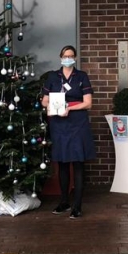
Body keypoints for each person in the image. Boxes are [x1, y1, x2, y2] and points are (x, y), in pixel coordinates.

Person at [41, 45, 96, 219]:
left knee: (78, 164)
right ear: (60, 57)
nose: (68, 58)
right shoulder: (52, 77)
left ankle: (77, 206)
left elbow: (88, 103)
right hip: (59, 124)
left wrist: (70, 108)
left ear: (75, 58)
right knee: (62, 164)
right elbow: (44, 101)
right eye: (65, 56)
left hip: (77, 124)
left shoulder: (82, 77)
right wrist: (53, 106)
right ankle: (64, 201)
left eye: (71, 56)